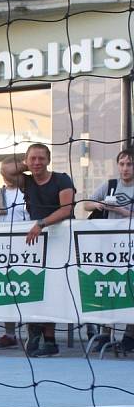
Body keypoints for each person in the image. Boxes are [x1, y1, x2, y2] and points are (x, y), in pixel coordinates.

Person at [1, 143, 75, 357]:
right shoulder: (27, 180)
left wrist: (42, 223)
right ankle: (34, 330)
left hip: (59, 240)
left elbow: (66, 209)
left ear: (49, 160)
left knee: (52, 290)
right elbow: (6, 169)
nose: (37, 163)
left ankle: (50, 340)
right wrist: (26, 162)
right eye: (32, 159)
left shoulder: (62, 179)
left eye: (41, 158)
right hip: (36, 241)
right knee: (34, 287)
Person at [83, 147, 134, 351]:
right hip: (108, 246)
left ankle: (129, 335)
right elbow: (85, 205)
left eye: (129, 164)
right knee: (108, 287)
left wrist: (122, 211)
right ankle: (105, 333)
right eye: (122, 164)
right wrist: (100, 205)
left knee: (130, 287)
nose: (125, 168)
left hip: (130, 245)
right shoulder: (111, 185)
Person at [0, 156, 29, 349]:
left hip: (28, 246)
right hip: (3, 248)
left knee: (29, 289)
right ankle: (9, 333)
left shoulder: (29, 191)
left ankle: (33, 332)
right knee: (7, 291)